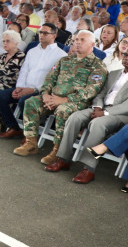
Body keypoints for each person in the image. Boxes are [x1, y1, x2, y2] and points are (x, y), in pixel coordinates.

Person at [13, 30, 107, 160]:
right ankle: (31, 143)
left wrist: (64, 100)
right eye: (76, 40)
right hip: (52, 98)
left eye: (82, 40)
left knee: (63, 110)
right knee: (31, 102)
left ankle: (57, 151)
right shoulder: (65, 60)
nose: (78, 42)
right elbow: (49, 79)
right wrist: (45, 95)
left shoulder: (98, 65)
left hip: (76, 102)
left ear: (92, 44)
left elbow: (91, 90)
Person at [44, 52, 128, 184]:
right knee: (75, 117)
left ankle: (88, 168)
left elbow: (126, 106)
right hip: (100, 108)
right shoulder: (114, 73)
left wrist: (105, 113)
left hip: (119, 115)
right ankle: (63, 158)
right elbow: (101, 93)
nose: (126, 58)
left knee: (97, 124)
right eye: (126, 55)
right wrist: (98, 107)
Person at [0, 23, 67, 139]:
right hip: (24, 87)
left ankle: (29, 135)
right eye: (40, 32)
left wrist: (34, 89)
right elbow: (24, 70)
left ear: (54, 35)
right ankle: (13, 127)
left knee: (24, 101)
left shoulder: (61, 55)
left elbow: (55, 80)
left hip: (41, 91)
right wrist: (19, 87)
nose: (41, 35)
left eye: (45, 33)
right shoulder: (32, 51)